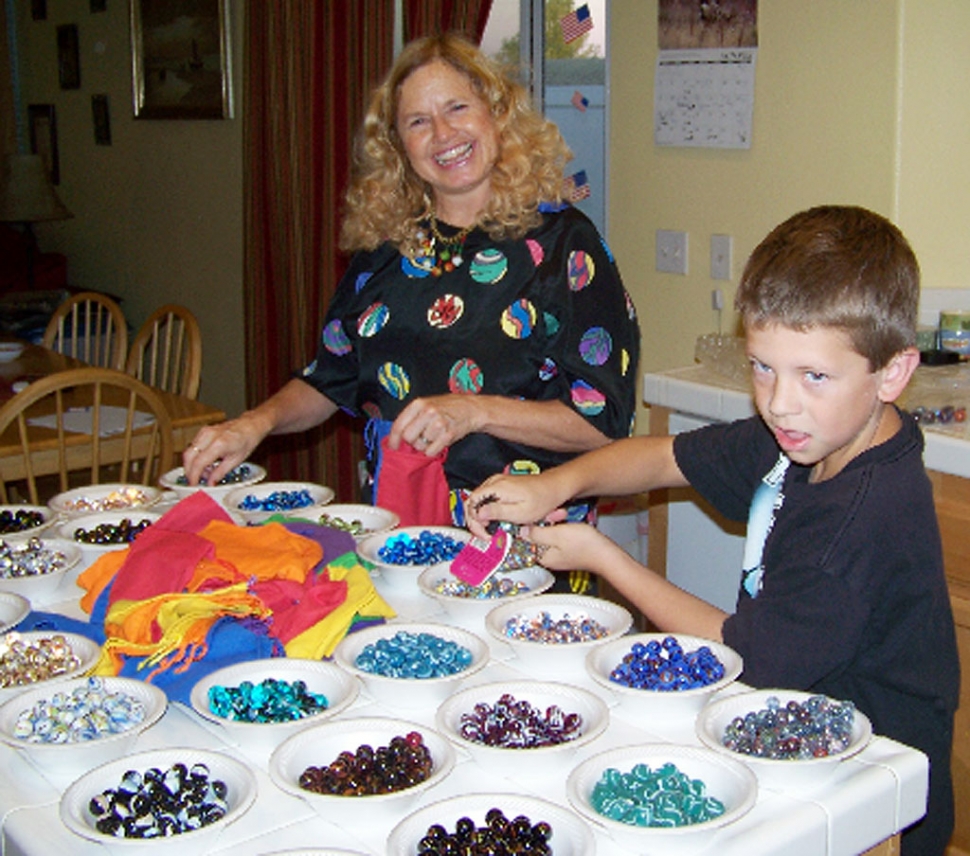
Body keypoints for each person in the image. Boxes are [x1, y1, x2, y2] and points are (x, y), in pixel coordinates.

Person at [466, 205, 959, 855]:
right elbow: (665, 455)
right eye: (763, 367)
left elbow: (747, 656)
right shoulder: (810, 435)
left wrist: (606, 558)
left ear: (892, 372)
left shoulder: (859, 521)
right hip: (792, 738)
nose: (780, 401)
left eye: (814, 375)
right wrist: (556, 485)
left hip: (872, 796)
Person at [183, 33, 639, 561]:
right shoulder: (385, 248)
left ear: (496, 115)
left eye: (457, 108)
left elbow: (603, 423)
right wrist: (253, 424)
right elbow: (331, 377)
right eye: (418, 121)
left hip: (524, 543)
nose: (443, 133)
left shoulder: (564, 246)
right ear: (399, 146)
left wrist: (474, 411)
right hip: (397, 533)